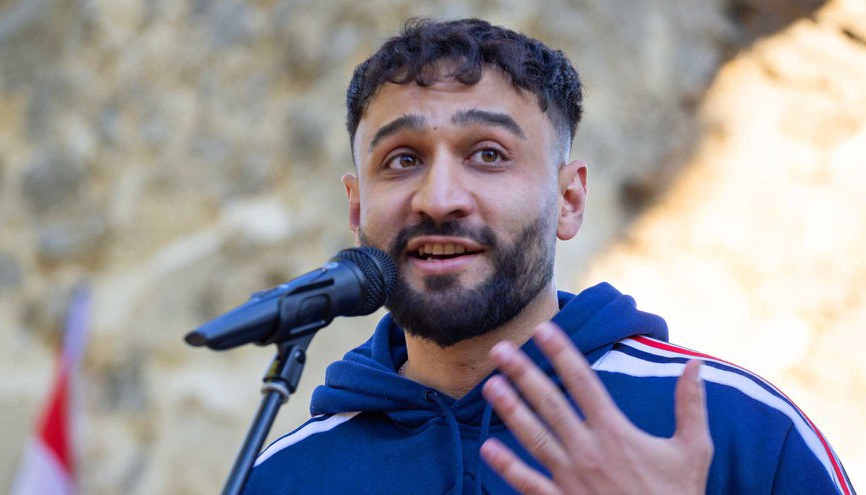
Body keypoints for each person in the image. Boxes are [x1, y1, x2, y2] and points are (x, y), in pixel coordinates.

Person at [243, 18, 855, 494]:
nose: (439, 199)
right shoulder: (284, 476)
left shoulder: (737, 429)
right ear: (356, 208)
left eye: (488, 154)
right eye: (402, 159)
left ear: (569, 200)